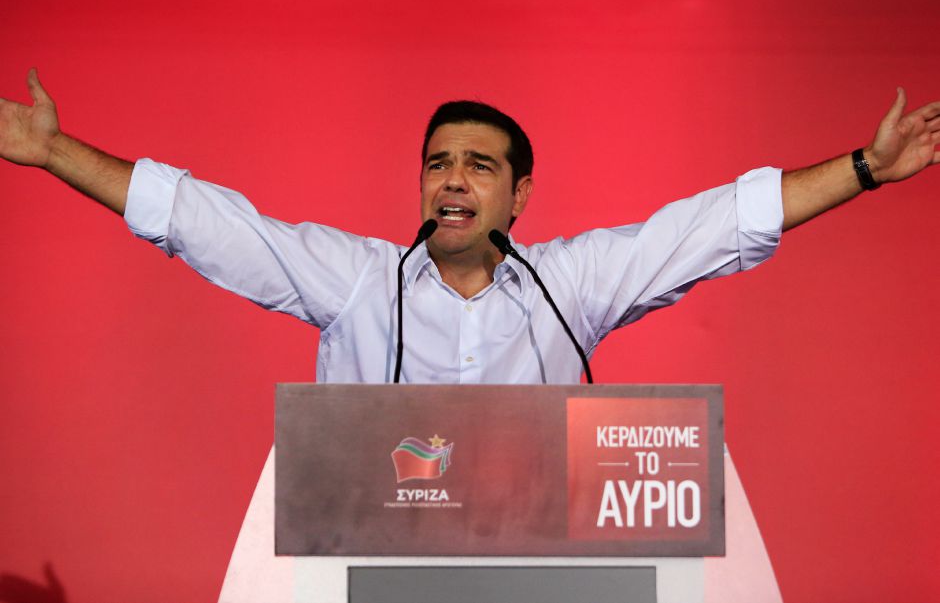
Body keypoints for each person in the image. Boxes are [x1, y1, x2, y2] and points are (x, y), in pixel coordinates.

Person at [1, 68, 938, 601]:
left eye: (479, 165)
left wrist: (863, 166)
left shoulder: (573, 283)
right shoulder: (357, 281)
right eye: (438, 162)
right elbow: (205, 222)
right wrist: (52, 152)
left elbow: (713, 228)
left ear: (519, 195)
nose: (453, 179)